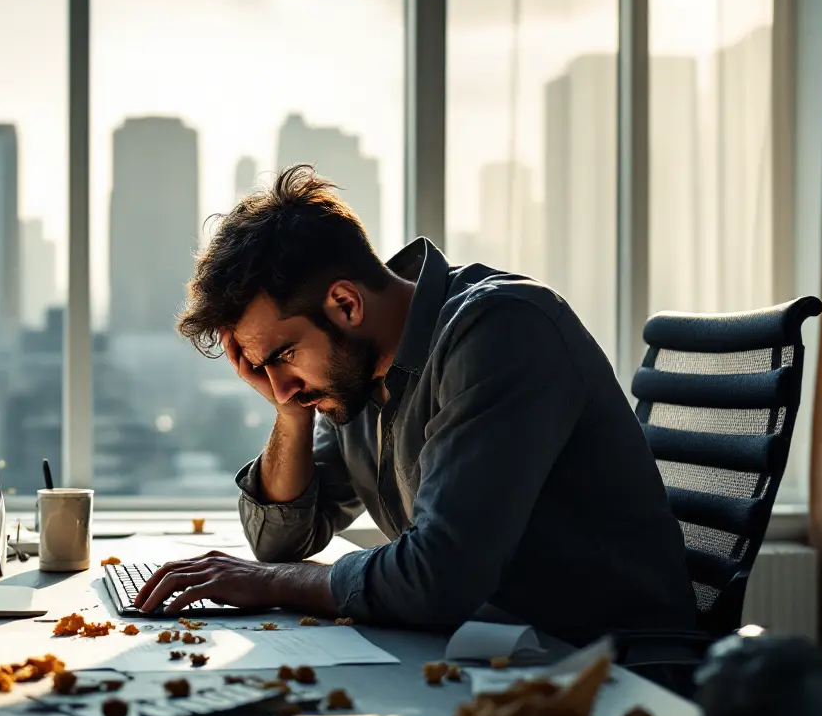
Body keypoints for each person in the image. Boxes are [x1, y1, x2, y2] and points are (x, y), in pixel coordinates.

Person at [134, 165, 697, 644]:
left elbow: (438, 576)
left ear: (345, 303)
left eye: (283, 354)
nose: (280, 384)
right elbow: (280, 541)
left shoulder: (500, 331)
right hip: (488, 656)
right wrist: (290, 414)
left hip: (612, 670)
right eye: (263, 369)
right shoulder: (356, 375)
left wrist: (273, 584)